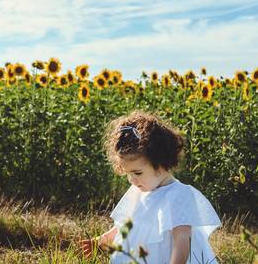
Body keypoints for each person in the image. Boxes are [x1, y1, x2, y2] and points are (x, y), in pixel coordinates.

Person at [79, 110, 221, 263]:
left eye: (137, 173)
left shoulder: (179, 194)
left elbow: (182, 241)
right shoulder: (138, 191)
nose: (131, 180)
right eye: (128, 173)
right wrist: (100, 240)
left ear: (160, 163)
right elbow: (124, 227)